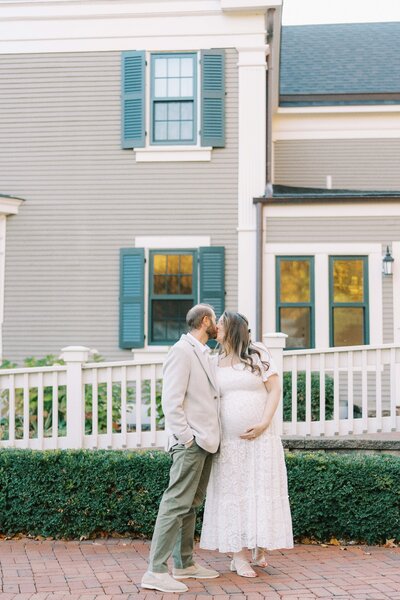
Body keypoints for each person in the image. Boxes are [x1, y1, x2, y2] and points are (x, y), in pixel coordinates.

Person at [200, 311, 293, 577]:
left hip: (262, 440)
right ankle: (238, 556)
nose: (216, 327)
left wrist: (264, 422)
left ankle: (259, 545)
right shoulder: (214, 360)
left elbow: (275, 389)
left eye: (221, 324)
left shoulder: (258, 353)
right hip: (230, 444)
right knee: (235, 494)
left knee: (260, 490)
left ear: (234, 329)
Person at [141, 303, 221, 593]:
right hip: (191, 442)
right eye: (215, 319)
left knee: (190, 504)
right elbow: (170, 401)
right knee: (175, 503)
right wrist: (187, 438)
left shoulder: (204, 353)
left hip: (206, 442)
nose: (217, 324)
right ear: (205, 320)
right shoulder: (181, 351)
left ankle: (184, 564)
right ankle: (155, 570)